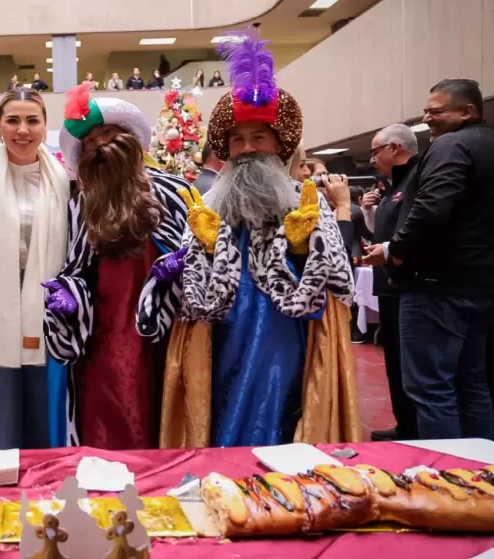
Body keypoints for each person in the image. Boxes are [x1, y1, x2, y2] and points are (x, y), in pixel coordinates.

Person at [138, 29, 359, 448]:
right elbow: (190, 291)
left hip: (284, 336)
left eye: (259, 137)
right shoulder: (210, 203)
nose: (246, 148)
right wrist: (201, 249)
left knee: (277, 409)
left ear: (279, 145)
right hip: (220, 335)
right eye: (237, 140)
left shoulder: (304, 200)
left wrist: (299, 249)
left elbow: (336, 282)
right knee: (218, 408)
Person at [43, 84, 191, 449]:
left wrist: (178, 271)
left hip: (167, 333)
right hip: (102, 334)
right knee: (104, 416)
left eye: (108, 134)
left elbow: (201, 252)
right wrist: (69, 295)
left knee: (163, 412)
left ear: (129, 139)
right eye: (91, 143)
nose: (100, 146)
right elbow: (74, 267)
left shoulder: (173, 190)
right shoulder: (81, 204)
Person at [364, 79, 494, 440]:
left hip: (436, 286)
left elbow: (432, 207)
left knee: (431, 388)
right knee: (472, 383)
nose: (426, 119)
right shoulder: (487, 144)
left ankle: (447, 477)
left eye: (436, 112)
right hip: (479, 285)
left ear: (467, 111)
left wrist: (395, 249)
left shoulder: (451, 146)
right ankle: (482, 476)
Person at [0, 88, 70, 449]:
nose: (22, 129)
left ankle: (43, 481)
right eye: (13, 120)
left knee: (43, 405)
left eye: (32, 120)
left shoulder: (66, 178)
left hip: (47, 307)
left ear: (45, 126)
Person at [360, 123, 419, 441]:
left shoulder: (415, 181)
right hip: (388, 288)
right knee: (394, 363)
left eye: (375, 151)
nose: (371, 159)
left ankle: (417, 429)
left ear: (395, 148)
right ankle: (405, 425)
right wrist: (369, 214)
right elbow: (380, 235)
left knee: (410, 368)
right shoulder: (391, 187)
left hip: (405, 287)